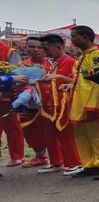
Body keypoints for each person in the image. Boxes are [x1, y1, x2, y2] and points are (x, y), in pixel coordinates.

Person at [62, 26, 99, 179]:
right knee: (81, 135)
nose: (71, 39)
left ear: (86, 37)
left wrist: (93, 106)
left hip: (90, 104)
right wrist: (69, 85)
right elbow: (81, 81)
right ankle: (89, 164)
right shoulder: (81, 57)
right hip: (78, 103)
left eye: (74, 36)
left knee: (98, 135)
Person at [39, 34, 82, 175]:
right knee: (49, 134)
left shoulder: (70, 62)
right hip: (50, 105)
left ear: (58, 47)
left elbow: (77, 82)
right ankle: (56, 161)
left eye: (46, 49)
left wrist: (59, 77)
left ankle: (74, 163)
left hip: (65, 104)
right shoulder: (51, 63)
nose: (44, 52)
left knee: (66, 134)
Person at [18, 37, 56, 168]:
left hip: (48, 103)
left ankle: (58, 158)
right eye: (32, 46)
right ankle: (40, 156)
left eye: (39, 47)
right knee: (29, 130)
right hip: (27, 104)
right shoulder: (22, 65)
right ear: (26, 48)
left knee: (50, 131)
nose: (35, 50)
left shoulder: (52, 65)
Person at [0, 40, 24, 167]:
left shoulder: (9, 52)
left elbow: (17, 72)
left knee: (12, 125)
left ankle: (17, 156)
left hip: (6, 94)